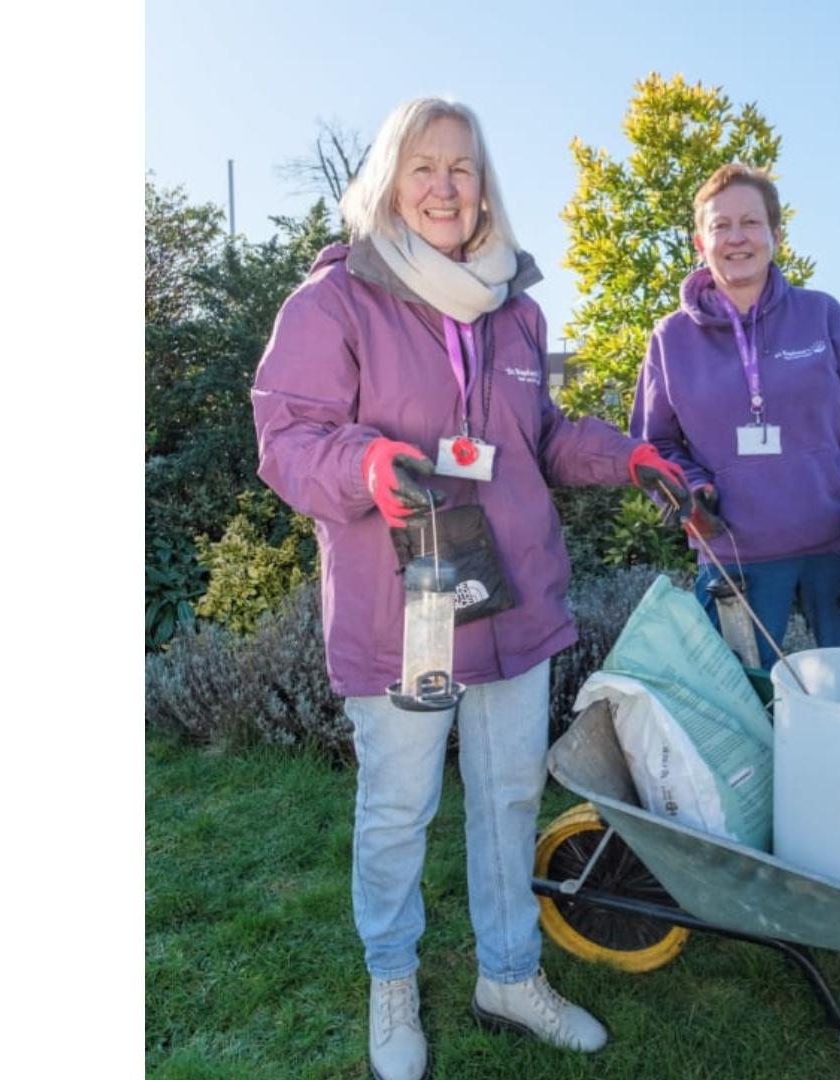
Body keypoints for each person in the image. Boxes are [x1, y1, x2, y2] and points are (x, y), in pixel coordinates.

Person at [251, 96, 689, 1080]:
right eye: (424, 167)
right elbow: (289, 438)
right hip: (402, 606)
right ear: (390, 183)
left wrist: (628, 457)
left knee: (507, 794)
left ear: (484, 184)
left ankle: (509, 972)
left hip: (515, 602)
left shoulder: (517, 310)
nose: (446, 187)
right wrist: (367, 465)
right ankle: (392, 980)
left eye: (464, 167)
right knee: (399, 805)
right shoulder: (335, 302)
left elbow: (542, 439)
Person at [630, 163, 840, 668]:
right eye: (720, 226)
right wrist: (690, 489)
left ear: (775, 235)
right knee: (731, 709)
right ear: (699, 241)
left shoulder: (823, 315)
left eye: (751, 223)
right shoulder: (671, 339)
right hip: (735, 554)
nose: (737, 238)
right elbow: (655, 446)